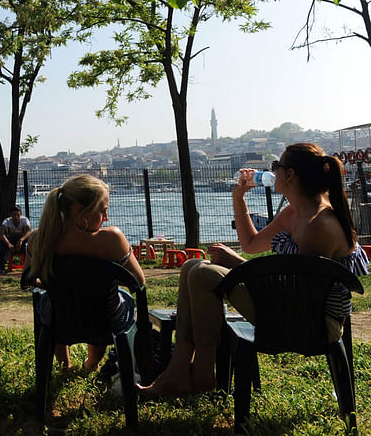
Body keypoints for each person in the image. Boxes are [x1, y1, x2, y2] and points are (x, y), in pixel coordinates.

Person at [139, 143, 369, 397]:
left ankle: (197, 375)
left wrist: (237, 263)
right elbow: (251, 244)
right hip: (288, 305)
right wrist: (239, 198)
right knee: (193, 266)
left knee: (203, 274)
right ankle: (182, 371)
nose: (273, 172)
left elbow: (297, 293)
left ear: (290, 175)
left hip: (308, 320)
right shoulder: (295, 213)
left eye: (276, 166)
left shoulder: (320, 225)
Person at [23, 174, 146, 373]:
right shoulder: (112, 239)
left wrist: (60, 284)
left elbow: (29, 278)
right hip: (105, 322)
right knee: (112, 299)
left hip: (59, 319)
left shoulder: (40, 239)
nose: (106, 218)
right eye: (102, 211)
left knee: (54, 300)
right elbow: (139, 281)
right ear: (80, 211)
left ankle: (65, 366)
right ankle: (92, 364)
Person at [0, 205, 32, 274]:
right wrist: (8, 243)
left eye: (18, 214)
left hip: (22, 242)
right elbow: (1, 233)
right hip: (11, 241)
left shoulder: (25, 220)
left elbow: (29, 231)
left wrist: (21, 240)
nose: (16, 217)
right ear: (11, 215)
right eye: (14, 214)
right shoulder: (7, 221)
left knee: (28, 246)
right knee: (0, 246)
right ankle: (0, 268)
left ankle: (28, 268)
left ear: (21, 214)